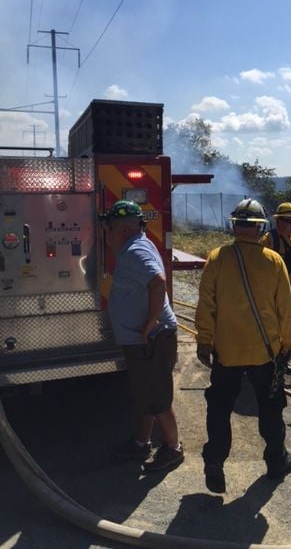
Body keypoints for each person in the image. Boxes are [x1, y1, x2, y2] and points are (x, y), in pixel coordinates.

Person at [195, 198, 291, 493]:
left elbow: (206, 305)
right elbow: (285, 310)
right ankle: (276, 461)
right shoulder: (274, 261)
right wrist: (289, 344)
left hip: (226, 353)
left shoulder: (217, 257)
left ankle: (215, 460)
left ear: (235, 226)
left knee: (219, 407)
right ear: (259, 227)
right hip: (265, 354)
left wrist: (204, 341)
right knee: (271, 407)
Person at [102, 200, 184, 472]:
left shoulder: (134, 250)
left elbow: (158, 282)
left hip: (152, 339)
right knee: (145, 395)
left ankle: (173, 449)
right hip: (145, 340)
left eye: (109, 229)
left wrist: (150, 323)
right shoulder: (136, 245)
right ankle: (141, 443)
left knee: (158, 398)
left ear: (120, 230)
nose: (108, 235)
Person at [260, 201, 291, 377]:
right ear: (278, 221)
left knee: (287, 325)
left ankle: (282, 362)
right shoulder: (268, 239)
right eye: (288, 221)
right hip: (273, 289)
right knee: (272, 325)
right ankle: (266, 362)